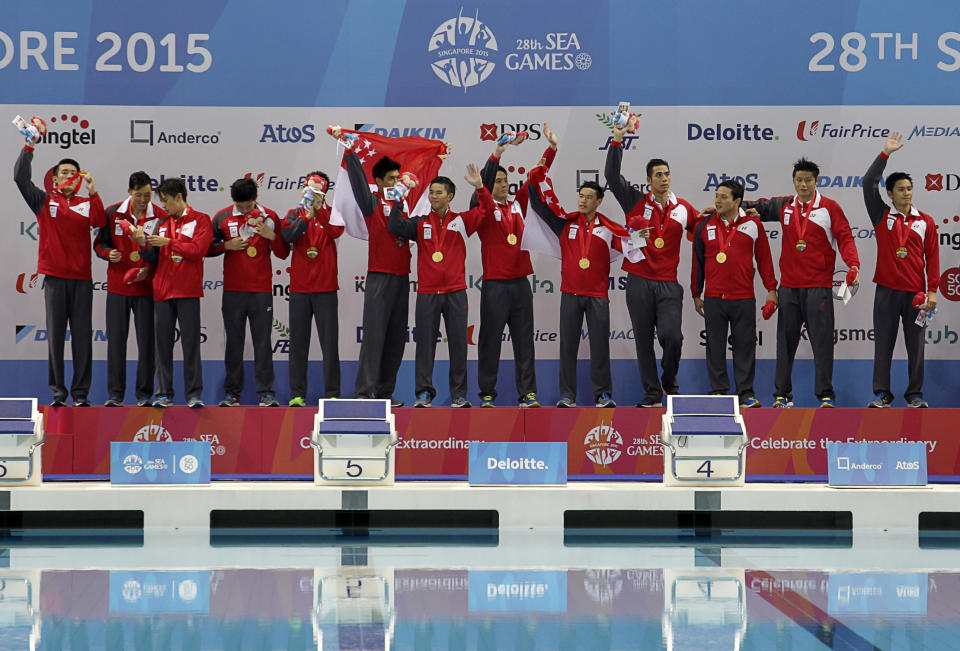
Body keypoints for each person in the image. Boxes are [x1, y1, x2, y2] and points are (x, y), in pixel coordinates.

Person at [737, 159, 860, 408]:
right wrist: (727, 207)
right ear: (794, 181)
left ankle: (825, 394)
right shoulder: (784, 206)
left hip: (818, 287)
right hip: (790, 288)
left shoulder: (829, 208)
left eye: (808, 180)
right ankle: (782, 394)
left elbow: (845, 237)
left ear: (817, 181)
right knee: (785, 342)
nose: (803, 185)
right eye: (799, 180)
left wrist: (853, 265)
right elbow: (756, 206)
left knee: (822, 342)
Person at [604, 122, 700, 407]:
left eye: (667, 174)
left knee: (673, 337)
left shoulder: (683, 207)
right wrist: (617, 140)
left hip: (669, 284)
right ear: (649, 180)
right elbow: (611, 176)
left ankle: (669, 379)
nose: (664, 178)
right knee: (644, 341)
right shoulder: (634, 200)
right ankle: (652, 393)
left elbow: (701, 231)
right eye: (658, 175)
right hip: (639, 281)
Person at [388, 166, 494, 407]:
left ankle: (458, 395)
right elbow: (394, 226)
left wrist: (480, 187)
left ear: (450, 196)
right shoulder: (420, 223)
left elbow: (487, 210)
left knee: (458, 345)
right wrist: (397, 201)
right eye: (431, 192)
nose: (433, 196)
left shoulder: (462, 221)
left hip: (456, 292)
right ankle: (424, 394)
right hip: (427, 293)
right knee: (424, 346)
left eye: (438, 193)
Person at [14, 133, 106, 407]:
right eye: (64, 172)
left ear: (79, 178)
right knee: (55, 338)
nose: (69, 176)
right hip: (54, 279)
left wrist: (93, 190)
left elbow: (100, 221)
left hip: (81, 280)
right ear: (54, 178)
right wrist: (29, 145)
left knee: (82, 339)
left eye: (74, 173)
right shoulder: (43, 201)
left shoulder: (87, 204)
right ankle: (58, 392)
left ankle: (80, 394)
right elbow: (20, 178)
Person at [471, 123, 559, 408]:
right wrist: (496, 153)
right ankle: (487, 393)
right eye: (497, 180)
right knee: (490, 341)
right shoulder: (482, 207)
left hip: (521, 284)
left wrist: (552, 148)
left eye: (505, 179)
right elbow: (482, 184)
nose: (503, 183)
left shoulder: (518, 204)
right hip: (495, 284)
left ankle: (528, 394)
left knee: (524, 342)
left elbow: (536, 176)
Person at [527, 179, 635, 408]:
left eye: (588, 197)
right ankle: (567, 395)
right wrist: (533, 177)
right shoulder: (565, 224)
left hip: (597, 295)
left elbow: (629, 247)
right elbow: (538, 206)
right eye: (581, 196)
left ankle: (603, 394)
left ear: (599, 201)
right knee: (567, 346)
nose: (583, 200)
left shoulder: (609, 228)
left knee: (600, 347)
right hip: (571, 294)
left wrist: (643, 234)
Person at [862, 132, 940, 408]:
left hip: (916, 296)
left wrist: (932, 291)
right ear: (890, 193)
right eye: (901, 189)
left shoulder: (925, 222)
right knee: (883, 345)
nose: (907, 193)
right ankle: (882, 394)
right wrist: (885, 153)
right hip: (886, 291)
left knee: (915, 348)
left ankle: (914, 395)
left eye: (909, 188)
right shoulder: (881, 215)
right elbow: (866, 183)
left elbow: (933, 257)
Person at [692, 180, 778, 408]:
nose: (717, 201)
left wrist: (771, 290)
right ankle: (718, 390)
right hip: (713, 297)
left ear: (737, 201)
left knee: (745, 346)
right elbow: (697, 262)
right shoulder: (704, 225)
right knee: (715, 345)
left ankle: (745, 394)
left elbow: (764, 259)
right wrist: (695, 292)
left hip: (743, 297)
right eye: (716, 196)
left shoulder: (753, 224)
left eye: (723, 197)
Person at [209, 178, 289, 407]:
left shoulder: (270, 217)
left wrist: (272, 236)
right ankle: (232, 393)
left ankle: (266, 392)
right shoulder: (222, 217)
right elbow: (206, 248)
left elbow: (283, 253)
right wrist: (226, 246)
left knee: (263, 342)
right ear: (233, 200)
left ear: (256, 199)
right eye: (240, 206)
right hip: (233, 291)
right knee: (234, 342)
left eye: (248, 206)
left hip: (260, 290)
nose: (244, 210)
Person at [340, 148, 410, 408]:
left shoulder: (403, 203)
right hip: (380, 276)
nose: (396, 182)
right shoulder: (373, 203)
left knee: (395, 338)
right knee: (374, 336)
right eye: (391, 178)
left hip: (403, 278)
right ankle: (363, 391)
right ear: (379, 182)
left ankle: (384, 392)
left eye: (397, 177)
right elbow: (358, 182)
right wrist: (350, 152)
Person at [95, 171, 165, 406]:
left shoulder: (161, 216)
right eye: (139, 195)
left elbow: (164, 253)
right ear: (129, 192)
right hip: (117, 288)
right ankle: (115, 394)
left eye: (147, 195)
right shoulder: (113, 213)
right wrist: (108, 253)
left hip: (147, 289)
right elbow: (100, 243)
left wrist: (149, 268)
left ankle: (144, 395)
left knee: (147, 344)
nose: (144, 200)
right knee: (116, 342)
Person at [143, 177, 213, 408]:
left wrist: (170, 242)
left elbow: (197, 250)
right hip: (162, 291)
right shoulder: (160, 224)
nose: (163, 206)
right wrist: (142, 245)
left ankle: (194, 394)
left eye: (166, 201)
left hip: (187, 290)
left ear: (179, 197)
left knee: (191, 344)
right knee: (162, 345)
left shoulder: (201, 220)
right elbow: (152, 258)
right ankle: (164, 393)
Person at [281, 172, 343, 406]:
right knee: (298, 344)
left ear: (324, 192)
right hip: (299, 289)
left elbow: (335, 232)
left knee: (329, 344)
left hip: (326, 288)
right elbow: (288, 235)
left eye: (317, 191)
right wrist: (307, 215)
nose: (312, 194)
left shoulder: (333, 214)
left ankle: (333, 394)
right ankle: (298, 394)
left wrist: (320, 210)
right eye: (309, 189)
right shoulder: (294, 214)